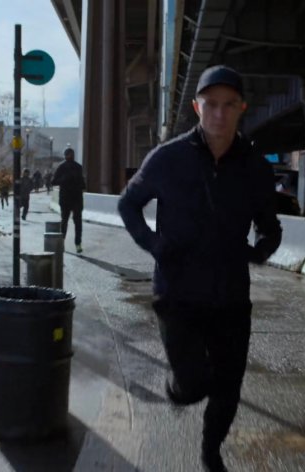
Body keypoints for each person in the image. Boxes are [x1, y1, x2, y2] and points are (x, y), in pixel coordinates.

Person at [117, 65, 282, 472]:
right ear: (197, 107)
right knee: (194, 385)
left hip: (230, 296)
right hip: (177, 295)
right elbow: (128, 204)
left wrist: (260, 250)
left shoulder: (256, 169)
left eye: (229, 105)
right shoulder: (167, 159)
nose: (219, 114)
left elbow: (271, 227)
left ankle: (211, 454)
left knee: (228, 386)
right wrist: (155, 246)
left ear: (242, 108)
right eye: (211, 104)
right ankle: (179, 389)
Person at [52, 148, 86, 253]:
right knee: (65, 222)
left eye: (71, 154)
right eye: (69, 154)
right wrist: (64, 179)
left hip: (75, 198)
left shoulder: (78, 167)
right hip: (67, 198)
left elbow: (83, 183)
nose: (70, 156)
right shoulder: (62, 168)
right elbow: (53, 182)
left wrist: (79, 184)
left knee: (76, 222)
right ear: (66, 155)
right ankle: (64, 243)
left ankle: (77, 243)